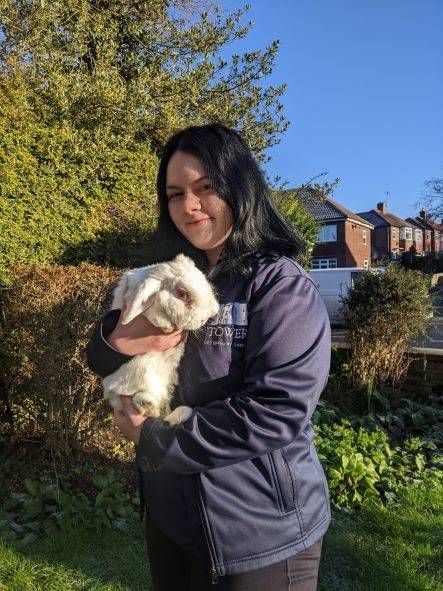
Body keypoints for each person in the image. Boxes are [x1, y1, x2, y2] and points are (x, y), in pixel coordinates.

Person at [86, 124, 331, 591]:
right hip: (171, 516)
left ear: (240, 186)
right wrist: (119, 340)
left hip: (256, 529)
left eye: (206, 188)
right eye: (175, 194)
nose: (189, 206)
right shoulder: (166, 274)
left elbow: (276, 412)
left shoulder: (280, 286)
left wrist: (154, 438)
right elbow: (98, 358)